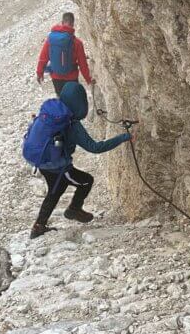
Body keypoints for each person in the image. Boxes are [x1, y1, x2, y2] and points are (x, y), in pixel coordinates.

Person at [30, 81, 131, 238]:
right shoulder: (71, 124)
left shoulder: (53, 113)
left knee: (56, 190)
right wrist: (124, 137)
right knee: (85, 181)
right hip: (57, 166)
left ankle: (39, 226)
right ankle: (73, 210)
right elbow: (95, 147)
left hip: (41, 161)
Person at [37, 12, 93, 95]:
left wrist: (39, 73)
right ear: (73, 24)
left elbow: (43, 58)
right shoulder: (77, 43)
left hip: (56, 77)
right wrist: (88, 79)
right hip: (71, 78)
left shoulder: (51, 39)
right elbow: (83, 64)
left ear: (62, 23)